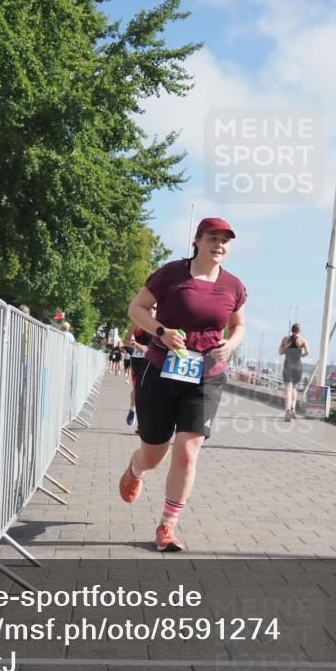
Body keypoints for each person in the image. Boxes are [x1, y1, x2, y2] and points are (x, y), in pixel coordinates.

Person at [119, 217, 246, 551]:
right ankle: (136, 468)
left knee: (188, 452)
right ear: (198, 241)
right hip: (162, 369)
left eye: (225, 241)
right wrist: (161, 331)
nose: (219, 245)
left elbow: (239, 325)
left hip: (207, 375)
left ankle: (167, 525)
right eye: (213, 239)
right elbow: (137, 308)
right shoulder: (171, 274)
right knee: (154, 453)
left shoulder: (233, 285)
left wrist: (231, 345)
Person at [122, 307, 154, 429]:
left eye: (155, 308)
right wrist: (137, 345)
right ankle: (132, 409)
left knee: (151, 392)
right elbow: (125, 340)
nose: (152, 310)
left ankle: (142, 424)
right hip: (138, 360)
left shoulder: (162, 324)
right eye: (149, 307)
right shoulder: (137, 322)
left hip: (154, 361)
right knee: (138, 391)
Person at [278, 323, 309, 421]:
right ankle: (293, 408)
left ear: (291, 330)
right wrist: (301, 355)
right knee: (294, 388)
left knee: (288, 390)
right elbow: (308, 352)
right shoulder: (303, 340)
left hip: (288, 366)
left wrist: (286, 350)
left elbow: (280, 352)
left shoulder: (285, 339)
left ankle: (288, 411)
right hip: (297, 367)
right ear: (299, 331)